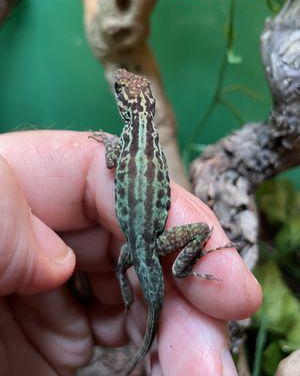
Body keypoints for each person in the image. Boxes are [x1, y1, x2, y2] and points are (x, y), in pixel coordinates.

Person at [0, 131, 262, 375]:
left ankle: (136, 301)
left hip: (134, 246)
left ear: (126, 107)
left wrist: (106, 140)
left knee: (127, 273)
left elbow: (110, 161)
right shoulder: (149, 139)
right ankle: (179, 272)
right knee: (201, 231)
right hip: (151, 242)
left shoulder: (125, 142)